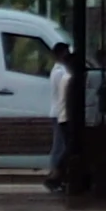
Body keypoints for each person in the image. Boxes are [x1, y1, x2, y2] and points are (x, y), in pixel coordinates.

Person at [43, 38, 85, 198]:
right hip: (62, 113)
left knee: (61, 146)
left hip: (59, 112)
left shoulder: (58, 71)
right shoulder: (62, 74)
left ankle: (57, 174)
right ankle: (56, 174)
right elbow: (65, 98)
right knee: (62, 147)